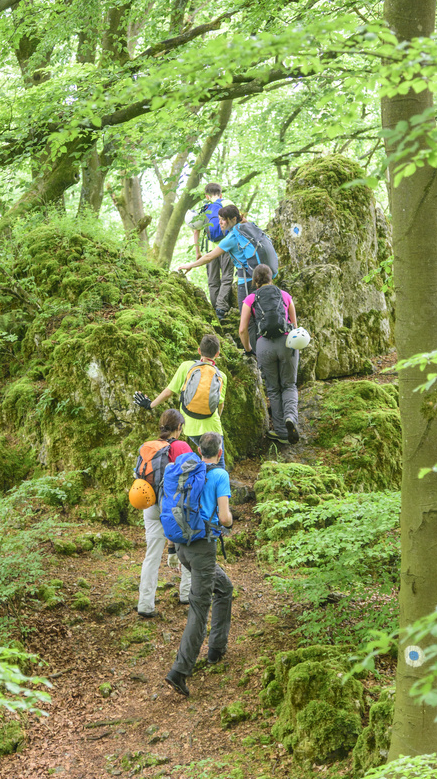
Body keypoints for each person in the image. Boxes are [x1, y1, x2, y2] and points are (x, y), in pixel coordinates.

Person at [165, 432, 233, 697]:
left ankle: (216, 648)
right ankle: (179, 671)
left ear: (199, 450)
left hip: (183, 546)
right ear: (219, 453)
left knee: (224, 588)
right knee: (198, 606)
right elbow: (225, 517)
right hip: (203, 548)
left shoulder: (189, 469)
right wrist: (227, 520)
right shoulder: (219, 475)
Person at [178, 203, 268, 350]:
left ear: (233, 219)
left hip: (246, 281)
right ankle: (266, 345)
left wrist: (190, 265)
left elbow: (209, 257)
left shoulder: (232, 237)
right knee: (261, 314)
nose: (219, 222)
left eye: (223, 219)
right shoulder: (249, 226)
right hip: (262, 275)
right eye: (219, 219)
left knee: (248, 320)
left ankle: (256, 352)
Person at [134, 333, 228, 470]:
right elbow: (220, 404)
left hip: (191, 428)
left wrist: (150, 405)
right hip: (213, 427)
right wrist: (217, 417)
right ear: (217, 354)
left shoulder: (186, 367)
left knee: (200, 463)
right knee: (218, 466)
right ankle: (220, 490)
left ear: (199, 350)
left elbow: (168, 392)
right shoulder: (221, 376)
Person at [137, 409, 194, 618]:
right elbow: (192, 477)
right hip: (173, 505)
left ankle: (145, 604)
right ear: (179, 428)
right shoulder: (182, 446)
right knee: (186, 545)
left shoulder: (149, 447)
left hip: (150, 504)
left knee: (151, 555)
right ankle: (186, 593)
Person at [239, 263, 300, 445]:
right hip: (286, 342)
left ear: (254, 280)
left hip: (264, 344)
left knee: (273, 389)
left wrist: (249, 349)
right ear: (271, 277)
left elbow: (242, 330)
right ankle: (291, 417)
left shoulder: (250, 299)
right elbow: (295, 326)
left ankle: (281, 431)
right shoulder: (285, 295)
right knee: (289, 385)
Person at [192, 182, 234, 320]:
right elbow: (238, 221)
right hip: (226, 246)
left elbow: (196, 231)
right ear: (221, 194)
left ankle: (216, 310)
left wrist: (198, 252)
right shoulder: (227, 202)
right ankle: (222, 308)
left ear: (207, 196)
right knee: (227, 277)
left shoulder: (205, 208)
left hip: (211, 250)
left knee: (213, 280)